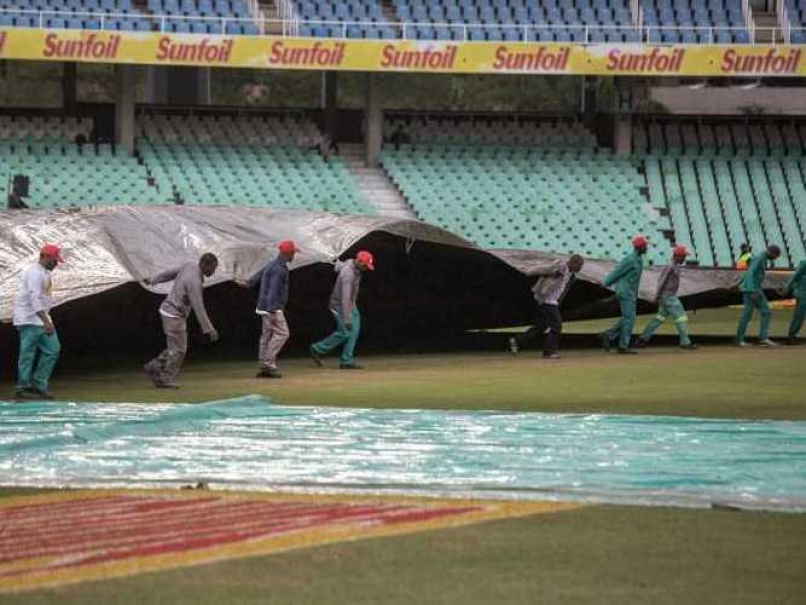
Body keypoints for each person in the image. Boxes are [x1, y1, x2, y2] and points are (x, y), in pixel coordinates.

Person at [142, 253, 220, 388]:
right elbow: (198, 306)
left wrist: (154, 279)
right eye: (213, 268)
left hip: (167, 310)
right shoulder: (194, 281)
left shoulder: (189, 265)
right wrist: (209, 328)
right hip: (174, 315)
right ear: (204, 264)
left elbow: (169, 273)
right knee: (179, 350)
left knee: (175, 348)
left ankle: (154, 366)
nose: (213, 272)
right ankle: (165, 378)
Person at [509, 254, 585, 359]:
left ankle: (517, 340)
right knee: (556, 326)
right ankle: (549, 352)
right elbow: (542, 269)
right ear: (573, 263)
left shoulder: (572, 274)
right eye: (580, 265)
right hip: (547, 300)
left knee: (541, 326)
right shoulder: (559, 266)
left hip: (552, 301)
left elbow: (563, 288)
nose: (581, 268)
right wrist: (528, 271)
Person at [12, 244, 63, 400]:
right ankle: (23, 387)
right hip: (29, 318)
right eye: (55, 260)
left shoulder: (44, 272)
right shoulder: (34, 272)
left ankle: (39, 384)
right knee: (28, 353)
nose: (56, 263)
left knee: (53, 349)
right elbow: (34, 297)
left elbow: (43, 296)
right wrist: (46, 321)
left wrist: (46, 319)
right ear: (46, 257)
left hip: (40, 318)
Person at [241, 240, 297, 378]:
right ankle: (267, 363)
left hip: (263, 306)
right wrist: (272, 309)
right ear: (288, 253)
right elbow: (273, 289)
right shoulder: (279, 268)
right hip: (272, 307)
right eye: (293, 253)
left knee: (266, 336)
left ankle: (264, 366)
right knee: (283, 334)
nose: (294, 255)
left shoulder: (272, 264)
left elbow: (259, 275)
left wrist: (248, 283)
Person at [309, 251, 374, 370]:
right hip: (339, 305)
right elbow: (345, 297)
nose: (366, 269)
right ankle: (317, 348)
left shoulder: (354, 265)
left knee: (354, 331)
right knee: (345, 332)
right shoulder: (348, 274)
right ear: (359, 262)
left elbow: (340, 265)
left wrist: (336, 262)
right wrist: (347, 318)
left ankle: (346, 361)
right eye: (365, 265)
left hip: (351, 304)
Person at [635, 245, 697, 350]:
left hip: (666, 296)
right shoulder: (670, 266)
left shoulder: (674, 265)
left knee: (659, 318)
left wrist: (658, 297)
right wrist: (656, 296)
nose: (685, 258)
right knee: (681, 317)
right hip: (669, 297)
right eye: (683, 256)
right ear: (677, 256)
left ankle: (643, 339)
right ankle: (685, 342)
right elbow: (661, 281)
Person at [599, 236, 648, 354]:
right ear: (639, 247)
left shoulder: (639, 260)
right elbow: (617, 272)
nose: (647, 248)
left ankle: (608, 335)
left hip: (631, 293)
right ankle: (622, 346)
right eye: (645, 246)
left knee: (628, 318)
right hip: (625, 292)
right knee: (629, 318)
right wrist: (605, 283)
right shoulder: (630, 259)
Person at [736, 244, 781, 347]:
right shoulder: (759, 258)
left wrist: (740, 284)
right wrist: (752, 290)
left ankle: (761, 338)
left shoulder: (761, 258)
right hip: (753, 289)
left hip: (753, 288)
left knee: (765, 312)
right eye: (775, 256)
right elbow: (750, 273)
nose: (774, 259)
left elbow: (750, 272)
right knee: (749, 314)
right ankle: (743, 340)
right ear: (772, 253)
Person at [783, 259, 806, 345]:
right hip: (802, 293)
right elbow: (795, 275)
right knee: (799, 316)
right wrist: (787, 287)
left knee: (800, 316)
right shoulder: (804, 262)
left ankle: (792, 336)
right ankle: (791, 336)